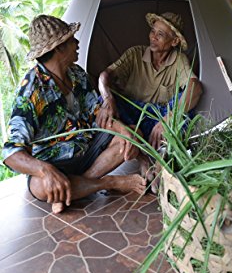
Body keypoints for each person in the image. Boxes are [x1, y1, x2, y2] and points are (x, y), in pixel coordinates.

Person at [2, 15, 146, 214]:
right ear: (59, 48)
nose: (77, 43)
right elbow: (11, 153)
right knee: (39, 187)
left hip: (87, 149)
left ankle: (74, 188)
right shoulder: (32, 90)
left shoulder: (77, 74)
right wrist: (46, 170)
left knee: (132, 134)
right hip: (57, 163)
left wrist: (124, 132)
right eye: (72, 40)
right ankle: (108, 183)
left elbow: (98, 115)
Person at [98, 12, 203, 151]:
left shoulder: (179, 60)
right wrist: (108, 98)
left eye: (160, 34)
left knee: (185, 102)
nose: (153, 37)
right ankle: (132, 136)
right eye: (152, 31)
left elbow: (195, 87)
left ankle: (159, 146)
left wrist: (168, 119)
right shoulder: (135, 53)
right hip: (131, 113)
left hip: (160, 116)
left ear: (174, 41)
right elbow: (104, 76)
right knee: (102, 99)